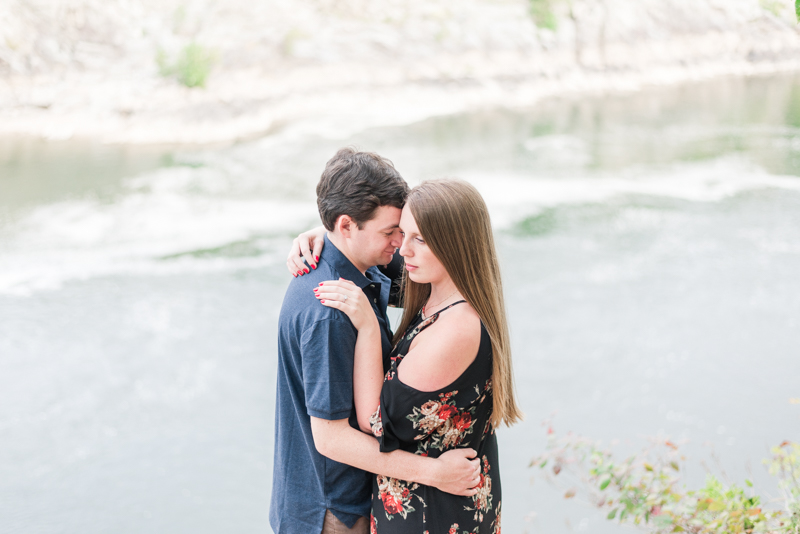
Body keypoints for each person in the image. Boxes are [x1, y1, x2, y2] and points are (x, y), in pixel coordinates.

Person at [270, 148, 482, 534]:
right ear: (348, 225)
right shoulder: (329, 311)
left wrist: (324, 230)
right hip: (333, 513)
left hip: (349, 499)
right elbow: (332, 440)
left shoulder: (366, 266)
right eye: (391, 232)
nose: (400, 244)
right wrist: (435, 473)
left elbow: (446, 264)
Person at [299, 178, 522, 533]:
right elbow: (366, 247)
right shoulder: (437, 292)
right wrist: (330, 235)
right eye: (402, 234)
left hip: (433, 514)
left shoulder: (455, 330)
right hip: (433, 504)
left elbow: (376, 423)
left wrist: (369, 328)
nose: (404, 250)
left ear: (455, 245)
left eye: (420, 239)